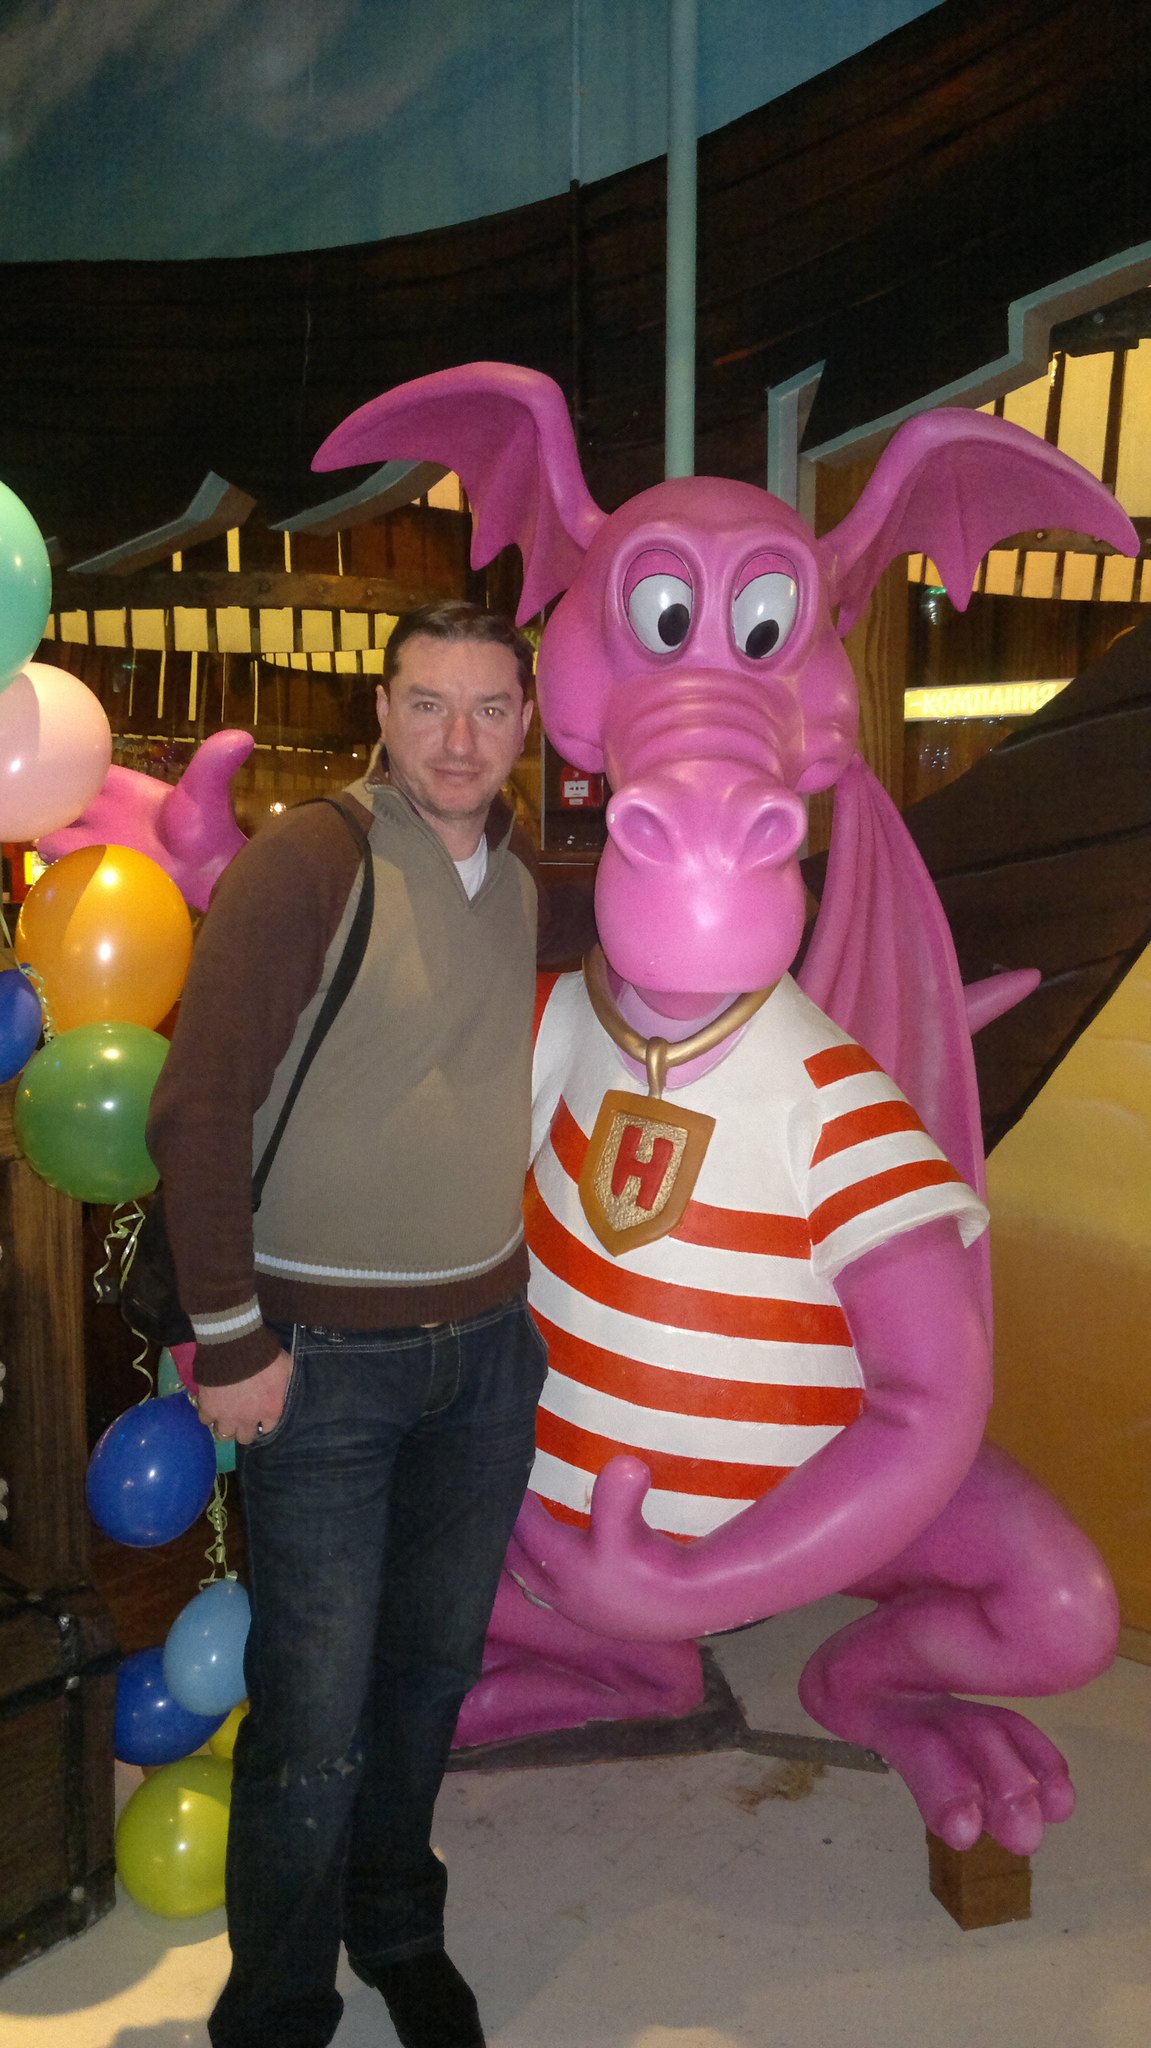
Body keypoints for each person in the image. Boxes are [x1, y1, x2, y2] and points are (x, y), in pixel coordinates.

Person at [147, 600, 565, 2048]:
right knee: (312, 1721)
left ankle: (395, 1928)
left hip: (486, 1349)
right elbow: (199, 1103)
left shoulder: (520, 877)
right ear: (381, 712)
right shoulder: (311, 860)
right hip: (320, 1362)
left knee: (430, 1678)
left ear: (526, 724)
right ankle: (275, 2010)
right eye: (428, 703)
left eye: (490, 708)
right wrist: (230, 1334)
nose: (459, 739)